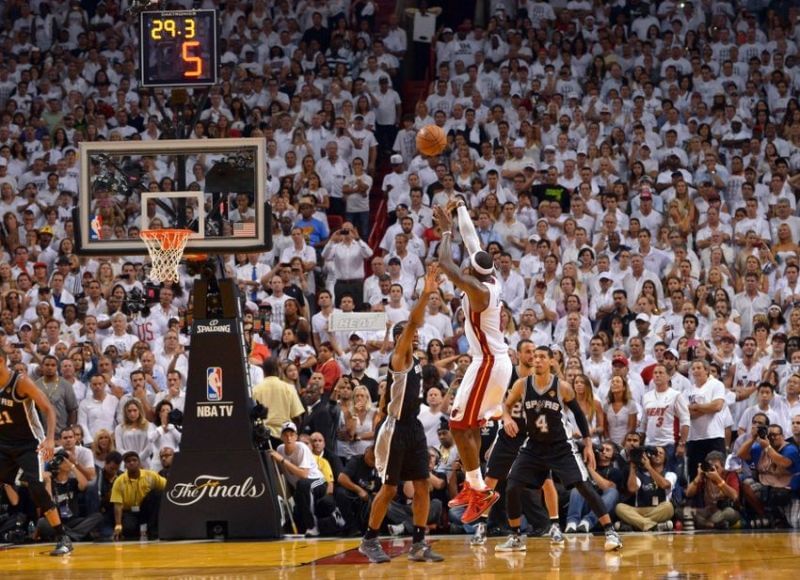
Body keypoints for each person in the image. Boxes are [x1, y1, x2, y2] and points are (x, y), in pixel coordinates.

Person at [495, 346, 622, 552]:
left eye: (542, 357)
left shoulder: (562, 387)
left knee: (583, 486)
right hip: (534, 446)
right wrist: (507, 418)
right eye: (535, 357)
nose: (537, 360)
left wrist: (588, 444)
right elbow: (505, 405)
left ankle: (610, 532)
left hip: (560, 446)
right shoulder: (522, 385)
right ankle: (516, 537)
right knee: (512, 486)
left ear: (552, 361)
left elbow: (579, 416)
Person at [433, 201, 514, 524]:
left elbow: (445, 264)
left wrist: (444, 231)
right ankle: (474, 484)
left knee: (457, 423)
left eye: (466, 269)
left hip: (490, 363)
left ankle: (479, 489)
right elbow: (472, 240)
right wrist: (462, 208)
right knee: (468, 423)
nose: (464, 268)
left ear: (472, 274)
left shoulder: (479, 290)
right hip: (487, 361)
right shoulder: (488, 275)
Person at [359, 264, 444, 563]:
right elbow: (412, 322)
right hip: (395, 430)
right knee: (390, 488)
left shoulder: (418, 361)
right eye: (411, 334)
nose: (417, 335)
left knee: (422, 484)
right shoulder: (401, 354)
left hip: (413, 427)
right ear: (400, 338)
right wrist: (426, 293)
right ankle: (369, 540)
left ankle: (419, 543)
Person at [470, 339, 563, 546]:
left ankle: (555, 525)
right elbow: (498, 401)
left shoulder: (542, 377)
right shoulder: (508, 375)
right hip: (510, 434)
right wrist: (507, 418)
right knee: (491, 480)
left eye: (535, 352)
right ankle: (481, 525)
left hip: (533, 437)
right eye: (528, 352)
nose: (533, 356)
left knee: (546, 481)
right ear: (519, 355)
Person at [0, 351, 73, 555]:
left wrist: (50, 439)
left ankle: (62, 537)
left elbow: (48, 409)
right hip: (4, 444)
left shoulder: (20, 382)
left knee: (37, 488)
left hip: (30, 444)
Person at [614, 446, 677, 532]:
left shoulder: (670, 474)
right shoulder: (640, 474)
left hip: (658, 509)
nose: (657, 454)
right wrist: (632, 467)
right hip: (639, 510)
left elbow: (665, 485)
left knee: (669, 507)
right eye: (655, 453)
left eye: (661, 453)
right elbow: (632, 489)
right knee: (619, 507)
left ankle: (636, 524)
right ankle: (652, 525)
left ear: (665, 458)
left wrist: (649, 468)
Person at [110, 451, 166, 541]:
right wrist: (118, 525)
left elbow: (168, 486)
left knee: (157, 493)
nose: (131, 463)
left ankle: (153, 530)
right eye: (128, 461)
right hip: (129, 512)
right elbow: (117, 505)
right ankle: (134, 530)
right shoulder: (119, 481)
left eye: (134, 460)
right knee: (129, 530)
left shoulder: (151, 475)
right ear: (125, 465)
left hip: (146, 510)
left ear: (139, 463)